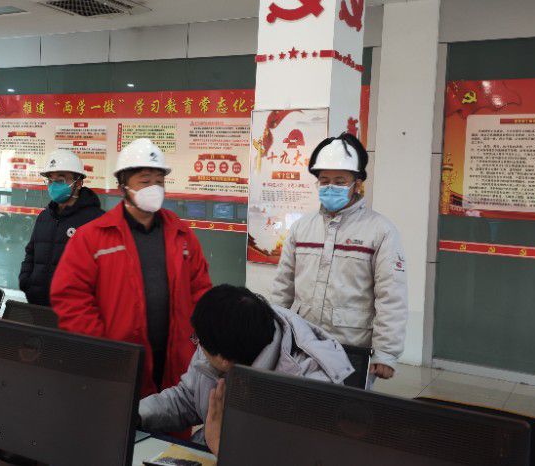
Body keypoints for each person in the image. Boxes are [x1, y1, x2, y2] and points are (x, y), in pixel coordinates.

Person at [51, 138, 213, 397]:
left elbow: (201, 291)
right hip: (117, 370)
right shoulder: (92, 237)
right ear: (122, 185)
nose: (154, 188)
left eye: (159, 181)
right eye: (145, 181)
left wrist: (196, 343)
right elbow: (71, 297)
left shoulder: (182, 234)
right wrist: (103, 349)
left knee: (169, 422)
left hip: (176, 367)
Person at [139, 284, 354, 454]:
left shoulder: (312, 389)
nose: (197, 344)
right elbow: (186, 398)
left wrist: (224, 448)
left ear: (224, 361)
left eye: (197, 340)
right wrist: (137, 414)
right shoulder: (224, 334)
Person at [272, 132, 408, 385]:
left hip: (352, 348)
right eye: (324, 181)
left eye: (339, 181)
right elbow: (282, 287)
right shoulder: (302, 228)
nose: (330, 187)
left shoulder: (380, 231)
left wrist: (386, 352)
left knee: (345, 409)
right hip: (303, 343)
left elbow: (391, 296)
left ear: (357, 184)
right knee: (298, 405)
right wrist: (272, 334)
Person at [18, 149, 104, 306]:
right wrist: (26, 282)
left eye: (61, 180)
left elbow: (105, 270)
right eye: (50, 180)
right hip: (38, 305)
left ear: (78, 183)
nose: (53, 185)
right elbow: (31, 253)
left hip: (75, 311)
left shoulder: (97, 220)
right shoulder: (45, 216)